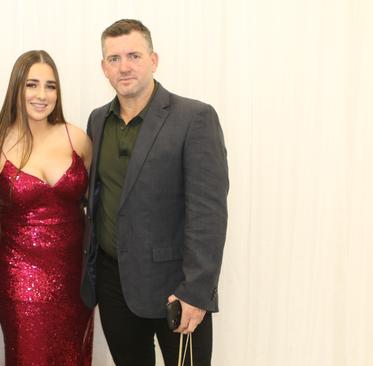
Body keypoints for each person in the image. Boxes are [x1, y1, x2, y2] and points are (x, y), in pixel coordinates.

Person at [80, 19, 229, 366]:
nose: (124, 66)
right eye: (114, 59)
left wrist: (197, 291)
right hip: (114, 284)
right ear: (104, 68)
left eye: (133, 55)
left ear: (153, 60)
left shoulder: (194, 118)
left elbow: (208, 213)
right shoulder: (98, 120)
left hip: (175, 287)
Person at [0, 50, 93, 366]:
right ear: (17, 87)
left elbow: (92, 204)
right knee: (29, 355)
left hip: (73, 275)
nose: (42, 95)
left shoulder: (78, 138)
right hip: (18, 272)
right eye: (32, 85)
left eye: (51, 86)